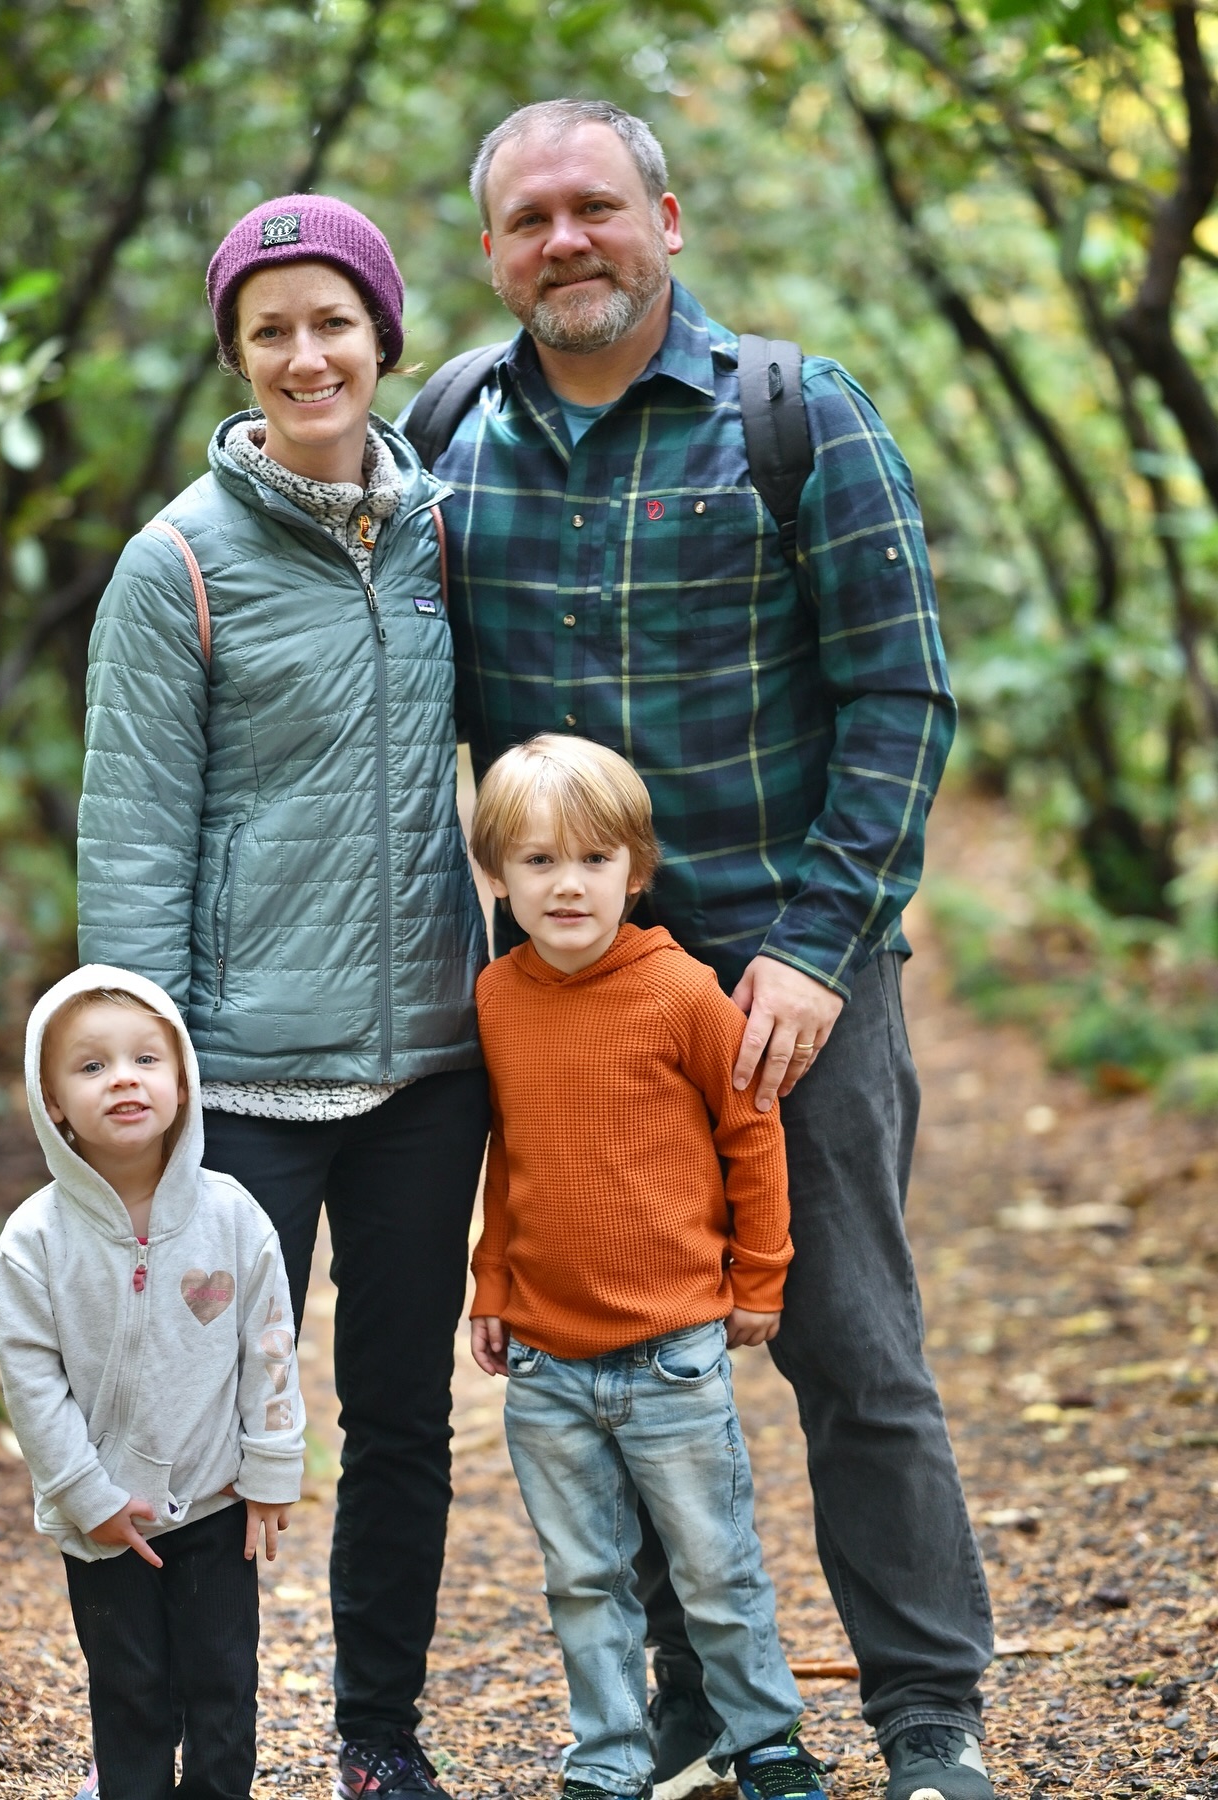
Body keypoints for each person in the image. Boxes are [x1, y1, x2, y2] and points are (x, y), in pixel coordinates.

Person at [412, 98, 993, 1800]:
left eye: (597, 207)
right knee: (609, 1347)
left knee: (850, 1343)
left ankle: (927, 1708)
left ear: (666, 219)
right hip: (572, 984)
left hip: (777, 977)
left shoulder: (797, 419)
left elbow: (905, 696)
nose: (566, 242)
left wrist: (821, 947)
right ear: (493, 251)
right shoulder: (448, 432)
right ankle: (688, 1706)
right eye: (530, 221)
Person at [75, 195, 491, 1800]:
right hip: (240, 1076)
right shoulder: (175, 562)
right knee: (199, 1440)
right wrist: (144, 1094)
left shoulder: (448, 531)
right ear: (239, 358)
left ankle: (379, 1743)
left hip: (430, 1070)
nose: (307, 354)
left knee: (399, 1419)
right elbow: (131, 851)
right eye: (272, 331)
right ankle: (206, 1760)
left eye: (335, 321)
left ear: (385, 337)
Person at [466, 734, 825, 1800]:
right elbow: (508, 1157)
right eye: (536, 861)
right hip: (546, 1360)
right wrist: (491, 1283)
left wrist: (760, 1279)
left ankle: (765, 1740)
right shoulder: (495, 999)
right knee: (584, 1579)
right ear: (498, 875)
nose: (566, 884)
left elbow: (752, 1130)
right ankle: (609, 1760)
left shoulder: (684, 994)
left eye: (592, 860)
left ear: (637, 868)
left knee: (716, 1568)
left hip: (674, 1350)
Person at [0, 966, 305, 1799]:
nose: (123, 1078)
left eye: (145, 1060)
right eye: (91, 1067)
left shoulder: (233, 1215)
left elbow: (270, 1340)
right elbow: (29, 1378)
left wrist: (273, 1461)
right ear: (51, 1100)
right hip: (102, 1521)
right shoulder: (34, 1241)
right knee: (128, 1697)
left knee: (222, 1690)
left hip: (215, 1503)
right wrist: (82, 1493)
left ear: (183, 1080)